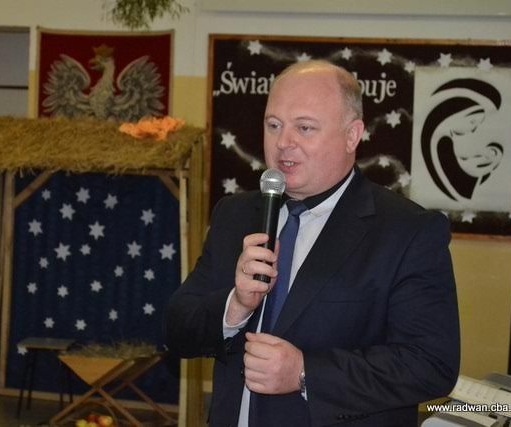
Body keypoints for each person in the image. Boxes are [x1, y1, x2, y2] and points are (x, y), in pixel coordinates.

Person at [164, 60, 460, 426]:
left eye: (304, 127)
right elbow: (176, 331)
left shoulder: (408, 231)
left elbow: (430, 365)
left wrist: (305, 373)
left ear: (352, 135)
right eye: (273, 125)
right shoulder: (235, 214)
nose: (283, 143)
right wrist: (235, 307)